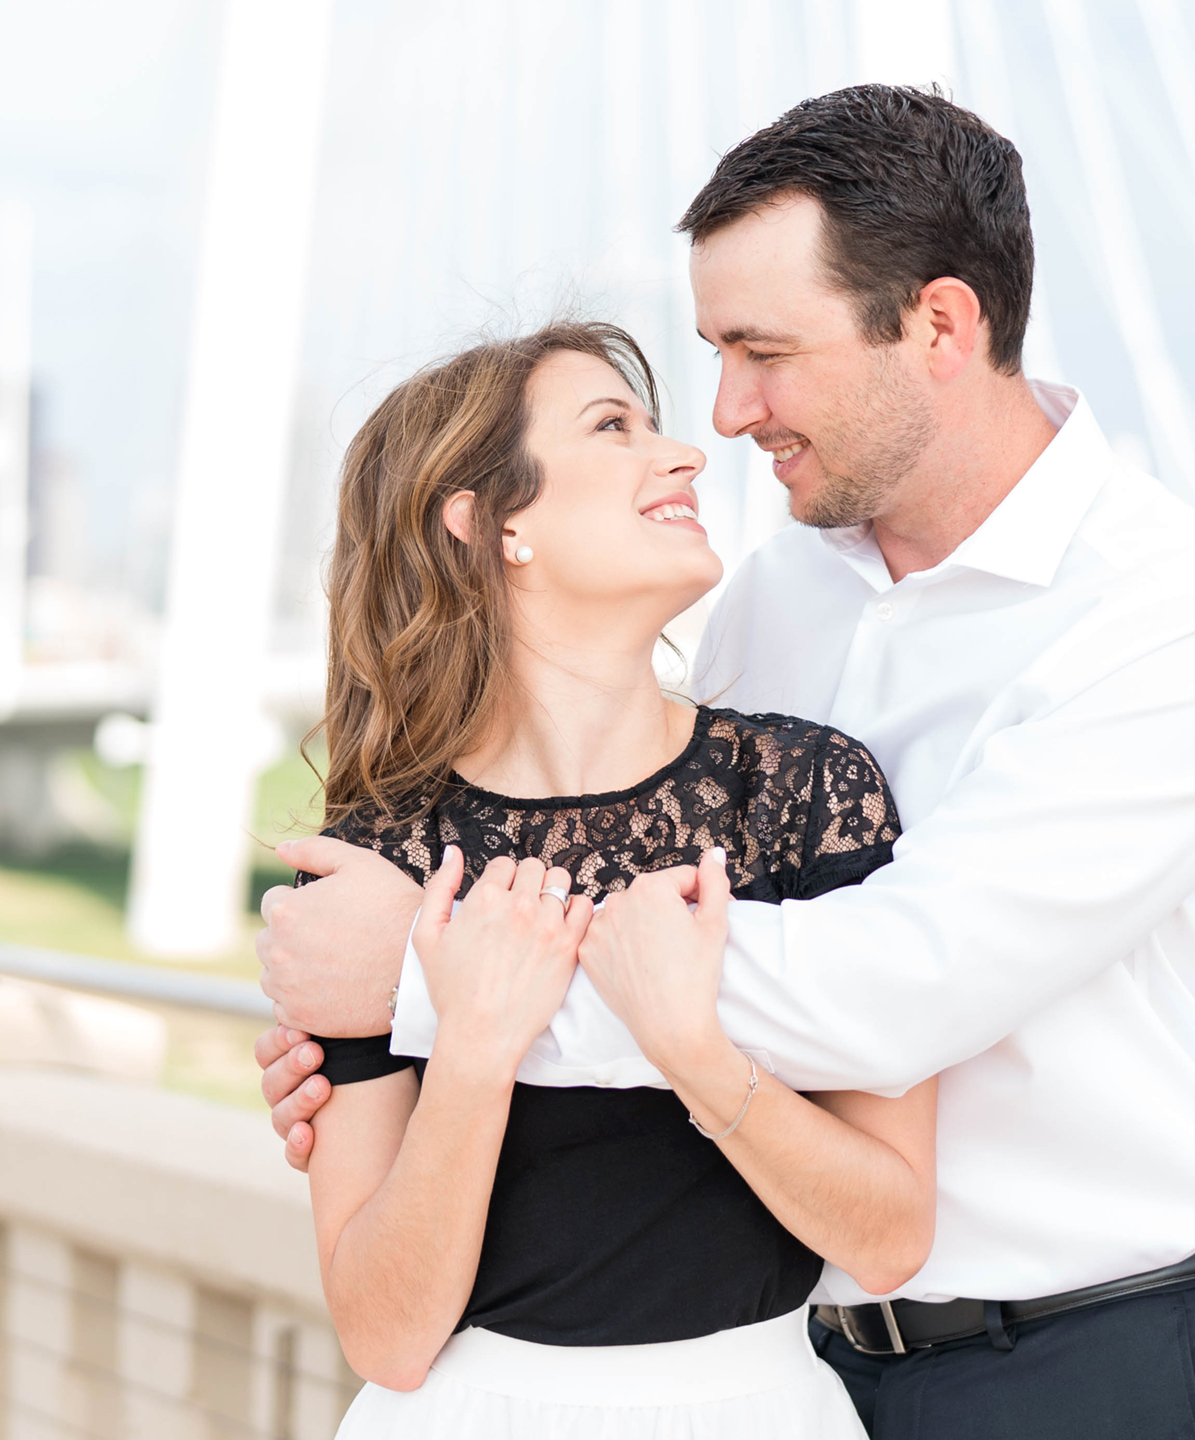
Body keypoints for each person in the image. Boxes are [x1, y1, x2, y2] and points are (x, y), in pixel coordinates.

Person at [258, 85, 1195, 1440]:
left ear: (939, 326)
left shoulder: (1172, 619)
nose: (724, 412)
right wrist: (388, 1062)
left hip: (1102, 1352)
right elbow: (654, 860)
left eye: (764, 352)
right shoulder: (776, 595)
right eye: (714, 353)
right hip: (811, 1363)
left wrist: (423, 981)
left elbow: (896, 983)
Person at [296, 318, 932, 1438]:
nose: (684, 454)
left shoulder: (804, 791)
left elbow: (887, 1238)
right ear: (490, 524)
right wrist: (474, 1046)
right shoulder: (380, 860)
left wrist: (689, 1046)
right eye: (611, 427)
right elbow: (386, 1338)